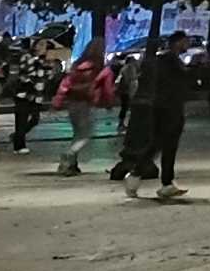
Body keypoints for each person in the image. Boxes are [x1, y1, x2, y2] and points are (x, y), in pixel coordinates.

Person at [113, 33, 191, 200]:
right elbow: (174, 83)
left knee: (162, 146)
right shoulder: (169, 61)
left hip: (166, 107)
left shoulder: (167, 60)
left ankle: (163, 182)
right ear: (177, 43)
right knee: (161, 145)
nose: (188, 45)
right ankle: (142, 177)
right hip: (168, 108)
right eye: (185, 41)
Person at [53, 39, 114, 176]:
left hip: (72, 103)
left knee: (77, 134)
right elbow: (108, 89)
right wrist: (108, 103)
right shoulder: (102, 70)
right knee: (86, 135)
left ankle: (70, 166)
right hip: (88, 104)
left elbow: (65, 84)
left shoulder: (76, 67)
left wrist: (58, 101)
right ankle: (69, 154)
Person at [7, 40, 51, 153]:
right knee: (21, 119)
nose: (43, 47)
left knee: (34, 119)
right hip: (25, 94)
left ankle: (17, 137)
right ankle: (19, 145)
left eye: (44, 45)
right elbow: (24, 76)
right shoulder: (27, 57)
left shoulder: (41, 59)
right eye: (40, 44)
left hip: (37, 95)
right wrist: (30, 89)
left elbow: (45, 76)